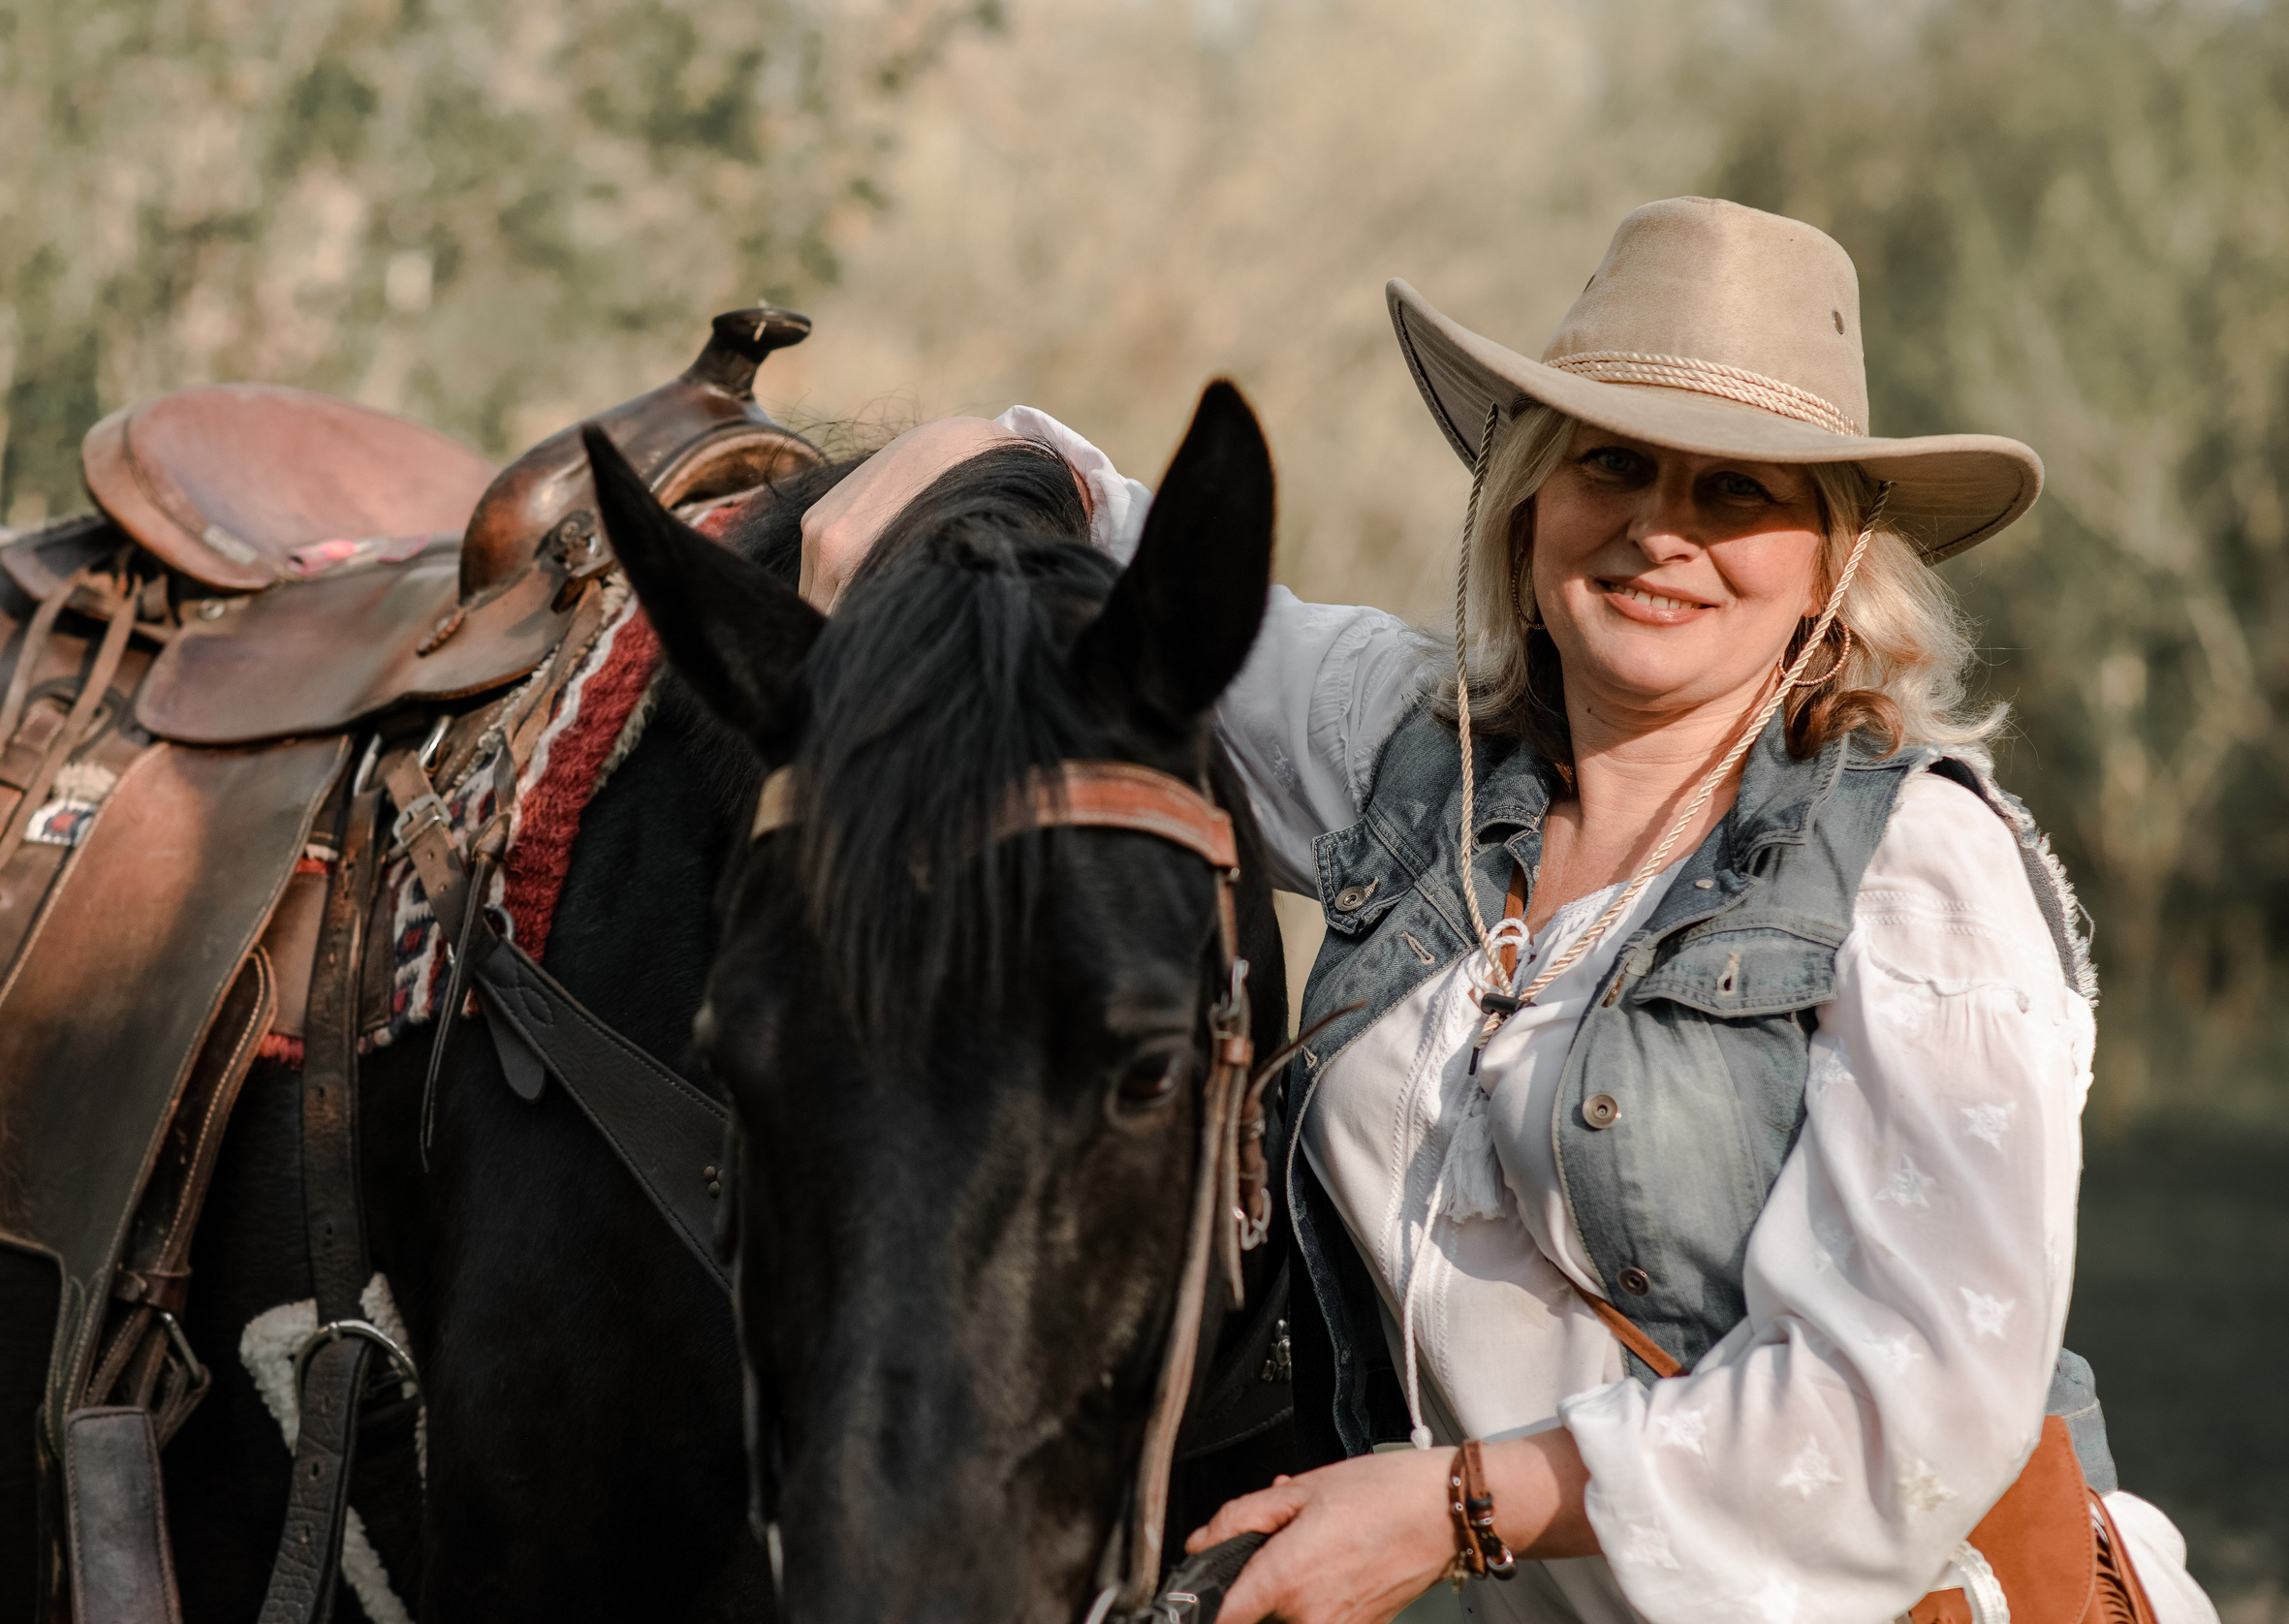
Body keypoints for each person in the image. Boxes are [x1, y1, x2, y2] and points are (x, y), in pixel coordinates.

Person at [792, 198, 2219, 1624]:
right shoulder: (1410, 755)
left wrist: (1459, 1502)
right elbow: (1145, 560)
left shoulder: (1917, 869)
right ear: (1531, 497)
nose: (1662, 531)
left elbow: (1911, 1408)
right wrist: (971, 454)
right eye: (1613, 463)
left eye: (1735, 491)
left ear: (1830, 560)